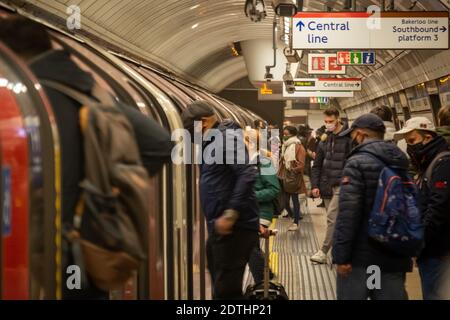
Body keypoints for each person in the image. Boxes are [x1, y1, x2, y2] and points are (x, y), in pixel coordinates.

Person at [0, 16, 174, 299]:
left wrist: (104, 186)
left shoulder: (40, 96)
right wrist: (104, 190)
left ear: (16, 57)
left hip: (59, 244)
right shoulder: (88, 91)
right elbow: (157, 142)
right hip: (87, 238)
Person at [181, 101, 259, 299]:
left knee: (226, 290)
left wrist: (230, 213)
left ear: (205, 122)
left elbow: (247, 174)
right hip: (222, 226)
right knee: (220, 281)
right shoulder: (212, 142)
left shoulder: (225, 140)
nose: (190, 135)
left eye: (191, 130)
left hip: (235, 227)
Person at [333, 113, 412, 300]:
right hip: (394, 253)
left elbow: (348, 214)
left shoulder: (356, 163)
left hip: (361, 258)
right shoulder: (401, 161)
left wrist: (342, 256)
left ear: (360, 134)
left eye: (353, 136)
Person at [394, 117, 450, 300]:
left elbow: (438, 208)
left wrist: (420, 241)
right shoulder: (427, 164)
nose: (410, 147)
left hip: (438, 249)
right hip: (431, 248)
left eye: (412, 141)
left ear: (427, 137)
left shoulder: (443, 164)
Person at [310, 107, 352, 264]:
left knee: (332, 218)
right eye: (326, 121)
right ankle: (339, 252)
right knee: (334, 220)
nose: (328, 124)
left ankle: (324, 251)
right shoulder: (324, 139)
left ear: (338, 119)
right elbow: (317, 165)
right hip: (327, 185)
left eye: (331, 121)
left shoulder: (349, 138)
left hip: (343, 185)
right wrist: (315, 185)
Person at [245, 127, 279, 283]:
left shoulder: (263, 162)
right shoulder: (244, 162)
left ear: (251, 143)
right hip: (250, 212)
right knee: (252, 247)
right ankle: (267, 275)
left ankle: (263, 281)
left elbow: (274, 189)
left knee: (249, 247)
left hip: (262, 213)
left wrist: (251, 197)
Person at [278, 126, 306, 231]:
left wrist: (292, 170)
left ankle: (296, 222)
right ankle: (292, 215)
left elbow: (302, 164)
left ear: (293, 135)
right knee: (284, 200)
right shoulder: (286, 146)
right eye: (283, 134)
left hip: (293, 177)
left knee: (295, 200)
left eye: (286, 134)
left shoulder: (298, 146)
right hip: (284, 176)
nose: (284, 137)